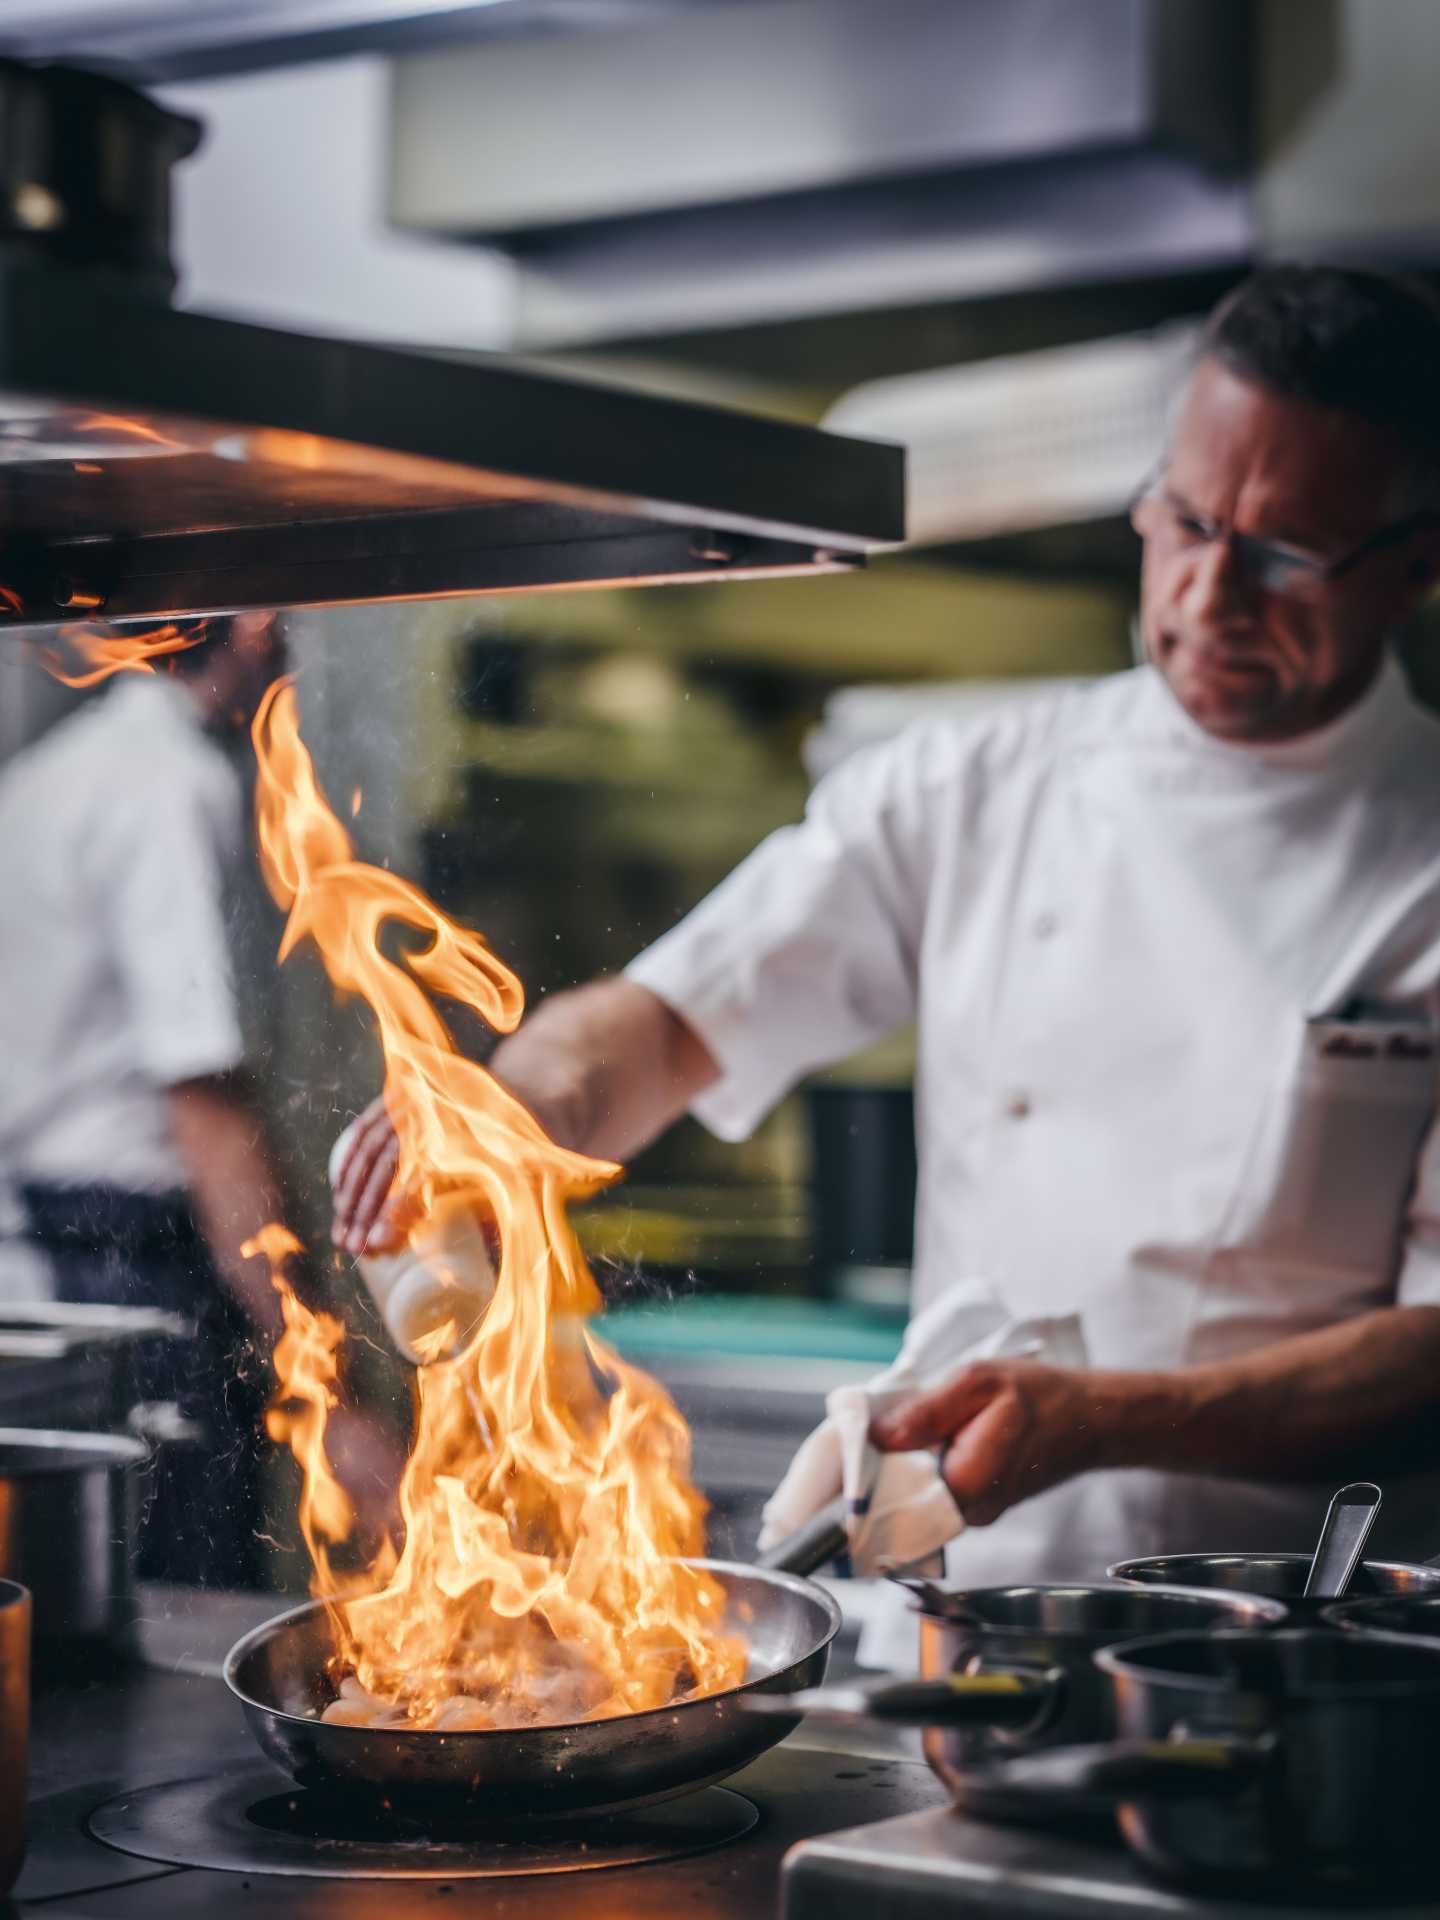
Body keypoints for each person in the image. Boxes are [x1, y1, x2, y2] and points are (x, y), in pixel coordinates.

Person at [333, 266, 1440, 1585]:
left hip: (1307, 1637)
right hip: (974, 1619)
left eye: (1285, 554)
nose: (1209, 598)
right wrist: (507, 1118)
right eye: (1186, 521)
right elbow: (671, 1025)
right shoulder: (978, 785)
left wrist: (1101, 1422)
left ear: (1417, 568)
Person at [0, 615, 391, 1587]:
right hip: (131, 1277)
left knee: (73, 1616)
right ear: (247, 629)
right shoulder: (171, 786)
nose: (294, 644)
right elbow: (206, 1109)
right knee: (176, 1611)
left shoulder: (53, 772)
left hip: (44, 1260)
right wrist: (332, 1399)